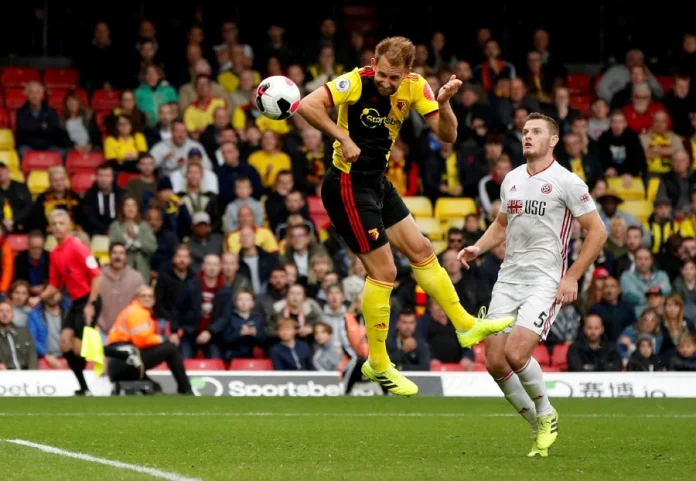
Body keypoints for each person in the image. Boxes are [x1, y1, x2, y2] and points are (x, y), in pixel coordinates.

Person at [298, 36, 513, 396]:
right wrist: (341, 137)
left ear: (408, 74)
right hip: (346, 183)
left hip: (376, 182)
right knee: (385, 272)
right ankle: (378, 362)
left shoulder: (416, 87)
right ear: (372, 62)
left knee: (422, 249)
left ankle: (464, 325)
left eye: (393, 78)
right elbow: (307, 105)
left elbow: (448, 136)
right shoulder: (356, 80)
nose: (385, 82)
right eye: (381, 74)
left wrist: (443, 105)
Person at [458, 112, 607, 456]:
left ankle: (546, 412)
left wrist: (571, 278)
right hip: (508, 278)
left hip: (545, 280)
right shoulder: (510, 178)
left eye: (536, 132)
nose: (527, 136)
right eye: (525, 131)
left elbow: (598, 232)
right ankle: (537, 420)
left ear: (553, 140)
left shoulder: (568, 181)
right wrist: (478, 248)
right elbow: (500, 223)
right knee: (494, 362)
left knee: (515, 353)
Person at [40, 209, 103, 395]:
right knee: (65, 344)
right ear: (50, 228)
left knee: (78, 347)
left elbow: (97, 276)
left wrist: (91, 304)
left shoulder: (78, 246)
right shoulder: (54, 253)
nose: (58, 227)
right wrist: (38, 298)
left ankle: (119, 354)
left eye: (61, 223)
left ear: (69, 226)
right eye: (54, 224)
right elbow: (54, 284)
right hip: (76, 302)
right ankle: (84, 388)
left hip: (89, 299)